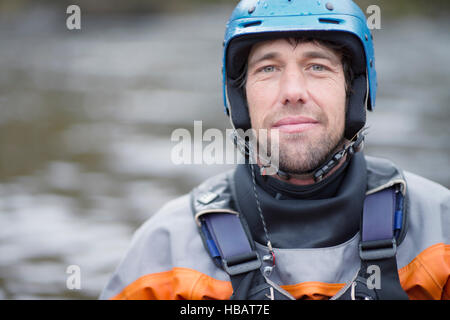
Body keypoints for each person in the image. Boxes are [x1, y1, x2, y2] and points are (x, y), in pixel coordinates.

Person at [100, 0, 449, 300]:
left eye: (317, 66)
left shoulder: (439, 230)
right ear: (240, 99)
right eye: (268, 68)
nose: (293, 91)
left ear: (354, 92)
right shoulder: (166, 251)